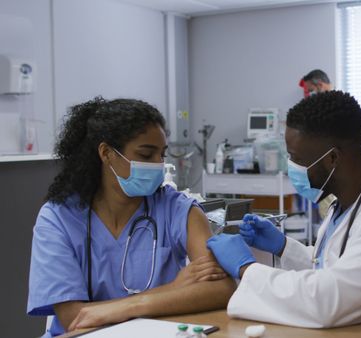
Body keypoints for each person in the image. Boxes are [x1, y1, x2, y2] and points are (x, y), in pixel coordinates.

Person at [207, 91, 361, 328]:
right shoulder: (344, 202)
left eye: (296, 157)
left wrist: (245, 268)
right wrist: (284, 247)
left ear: (332, 158)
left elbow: (331, 298)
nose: (291, 167)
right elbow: (337, 269)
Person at [27, 98, 236, 337]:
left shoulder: (179, 209)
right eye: (146, 155)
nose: (158, 164)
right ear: (106, 153)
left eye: (162, 154)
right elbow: (74, 318)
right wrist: (173, 290)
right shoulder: (59, 218)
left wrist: (130, 305)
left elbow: (222, 288)